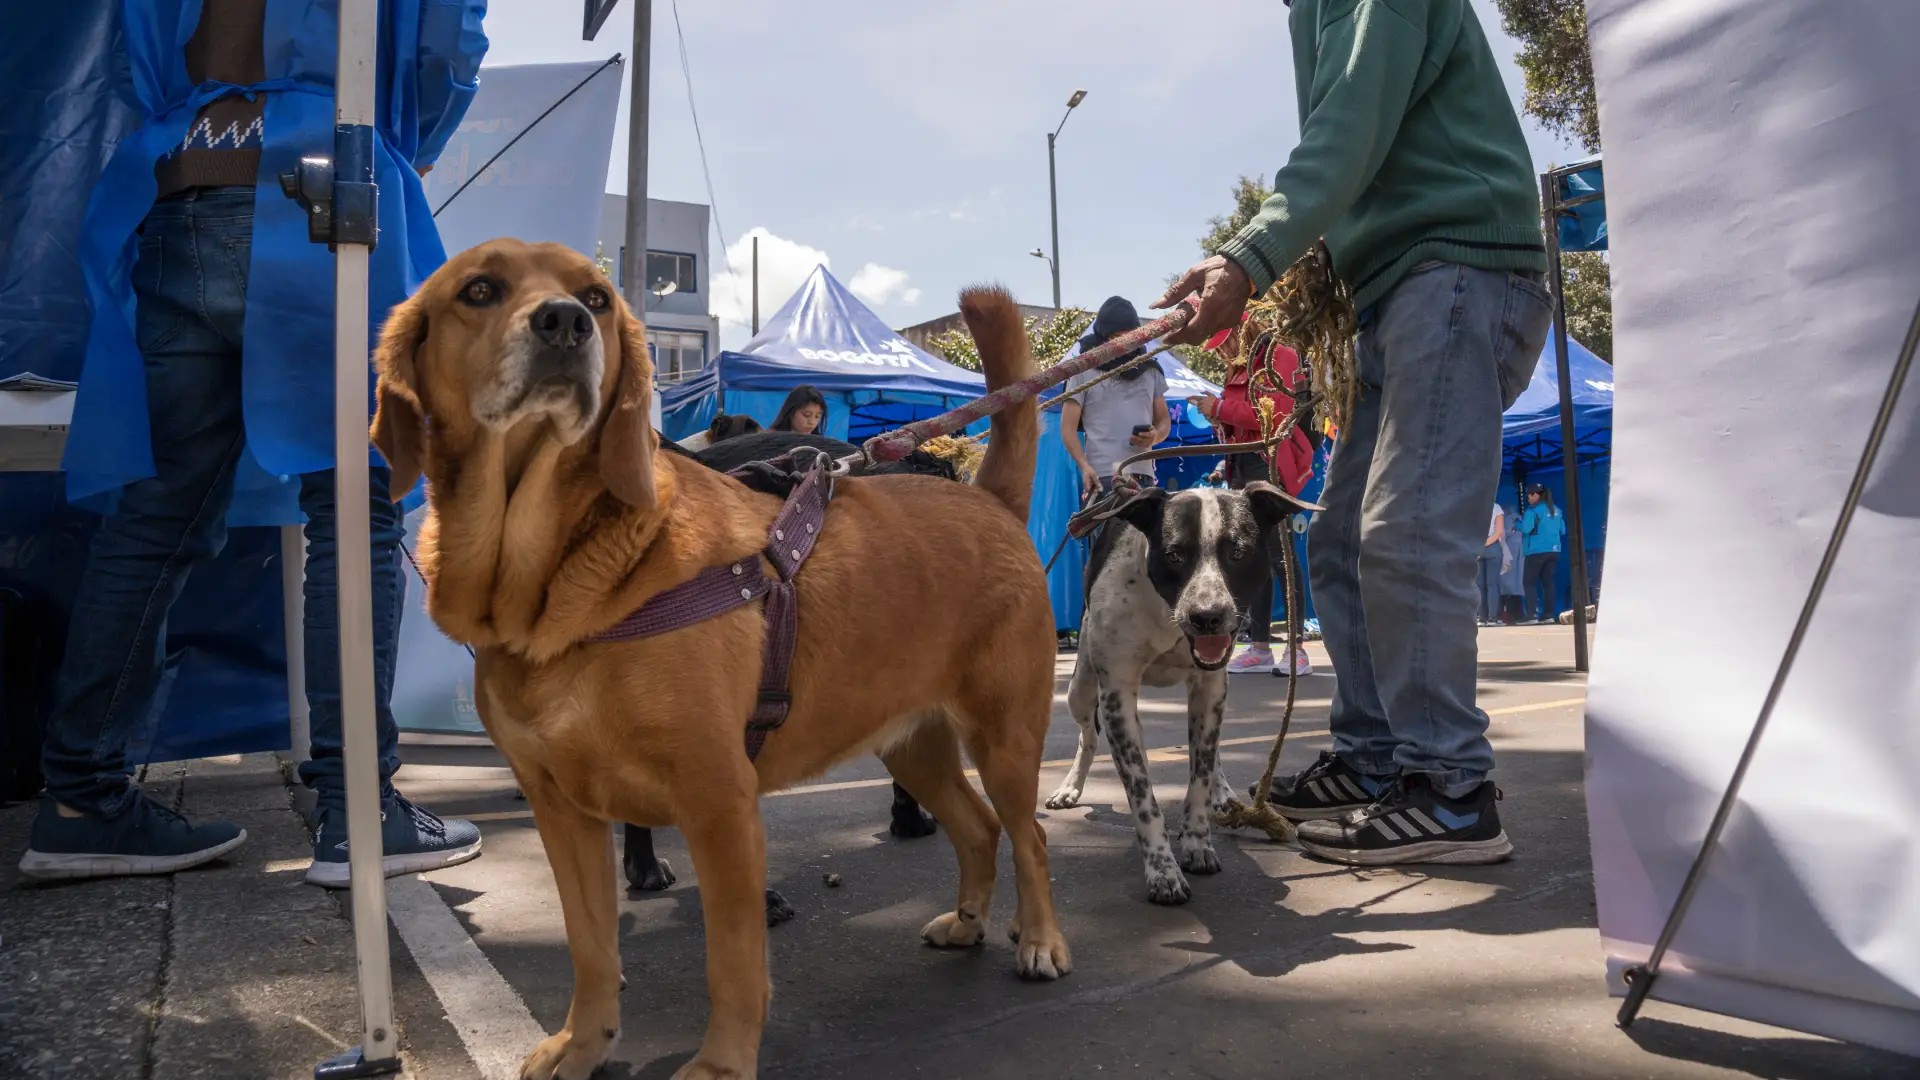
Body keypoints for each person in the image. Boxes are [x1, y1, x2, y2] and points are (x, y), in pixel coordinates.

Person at [19, 0, 489, 887]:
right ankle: (357, 811)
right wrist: (409, 131)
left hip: (181, 182)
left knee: (155, 518)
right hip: (326, 182)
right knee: (355, 507)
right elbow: (445, 41)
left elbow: (139, 48)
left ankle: (80, 797)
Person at [1155, 0, 1553, 865]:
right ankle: (1377, 759)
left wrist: (1247, 259)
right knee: (1336, 538)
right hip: (1396, 290)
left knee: (1406, 535)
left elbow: (1350, 129)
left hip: (1454, 267)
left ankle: (1452, 790)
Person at [1190, 327, 1317, 677]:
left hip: (1269, 464)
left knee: (1281, 557)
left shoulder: (1278, 355)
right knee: (1250, 558)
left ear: (1240, 331)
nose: (1221, 353)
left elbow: (1274, 417)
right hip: (1243, 465)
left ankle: (1296, 648)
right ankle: (1260, 646)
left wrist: (1218, 406)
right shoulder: (1241, 363)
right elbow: (1240, 423)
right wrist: (1218, 418)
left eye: (1224, 343)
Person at [1061, 297, 1171, 495]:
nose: (1123, 343)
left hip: (1143, 477)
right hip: (1102, 478)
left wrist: (1154, 437)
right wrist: (1084, 466)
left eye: (1129, 336)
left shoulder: (1151, 370)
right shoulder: (1082, 371)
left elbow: (1164, 421)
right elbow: (1067, 428)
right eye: (1116, 337)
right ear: (1104, 337)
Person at [1518, 483, 1566, 623]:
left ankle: (1531, 615)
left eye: (1529, 495)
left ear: (1536, 495)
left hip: (1536, 551)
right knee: (1548, 583)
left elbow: (1526, 529)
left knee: (1529, 582)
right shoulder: (1556, 510)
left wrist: (1516, 525)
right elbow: (1562, 530)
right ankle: (1548, 615)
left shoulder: (1532, 511)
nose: (1528, 498)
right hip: (1554, 550)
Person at [1477, 502, 1509, 625]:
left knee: (1480, 585)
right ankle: (1493, 617)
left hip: (1476, 547)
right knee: (1493, 585)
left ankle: (1482, 617)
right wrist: (1487, 543)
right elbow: (1499, 531)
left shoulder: (1472, 507)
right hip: (1492, 547)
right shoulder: (1496, 507)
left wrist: (1478, 546)